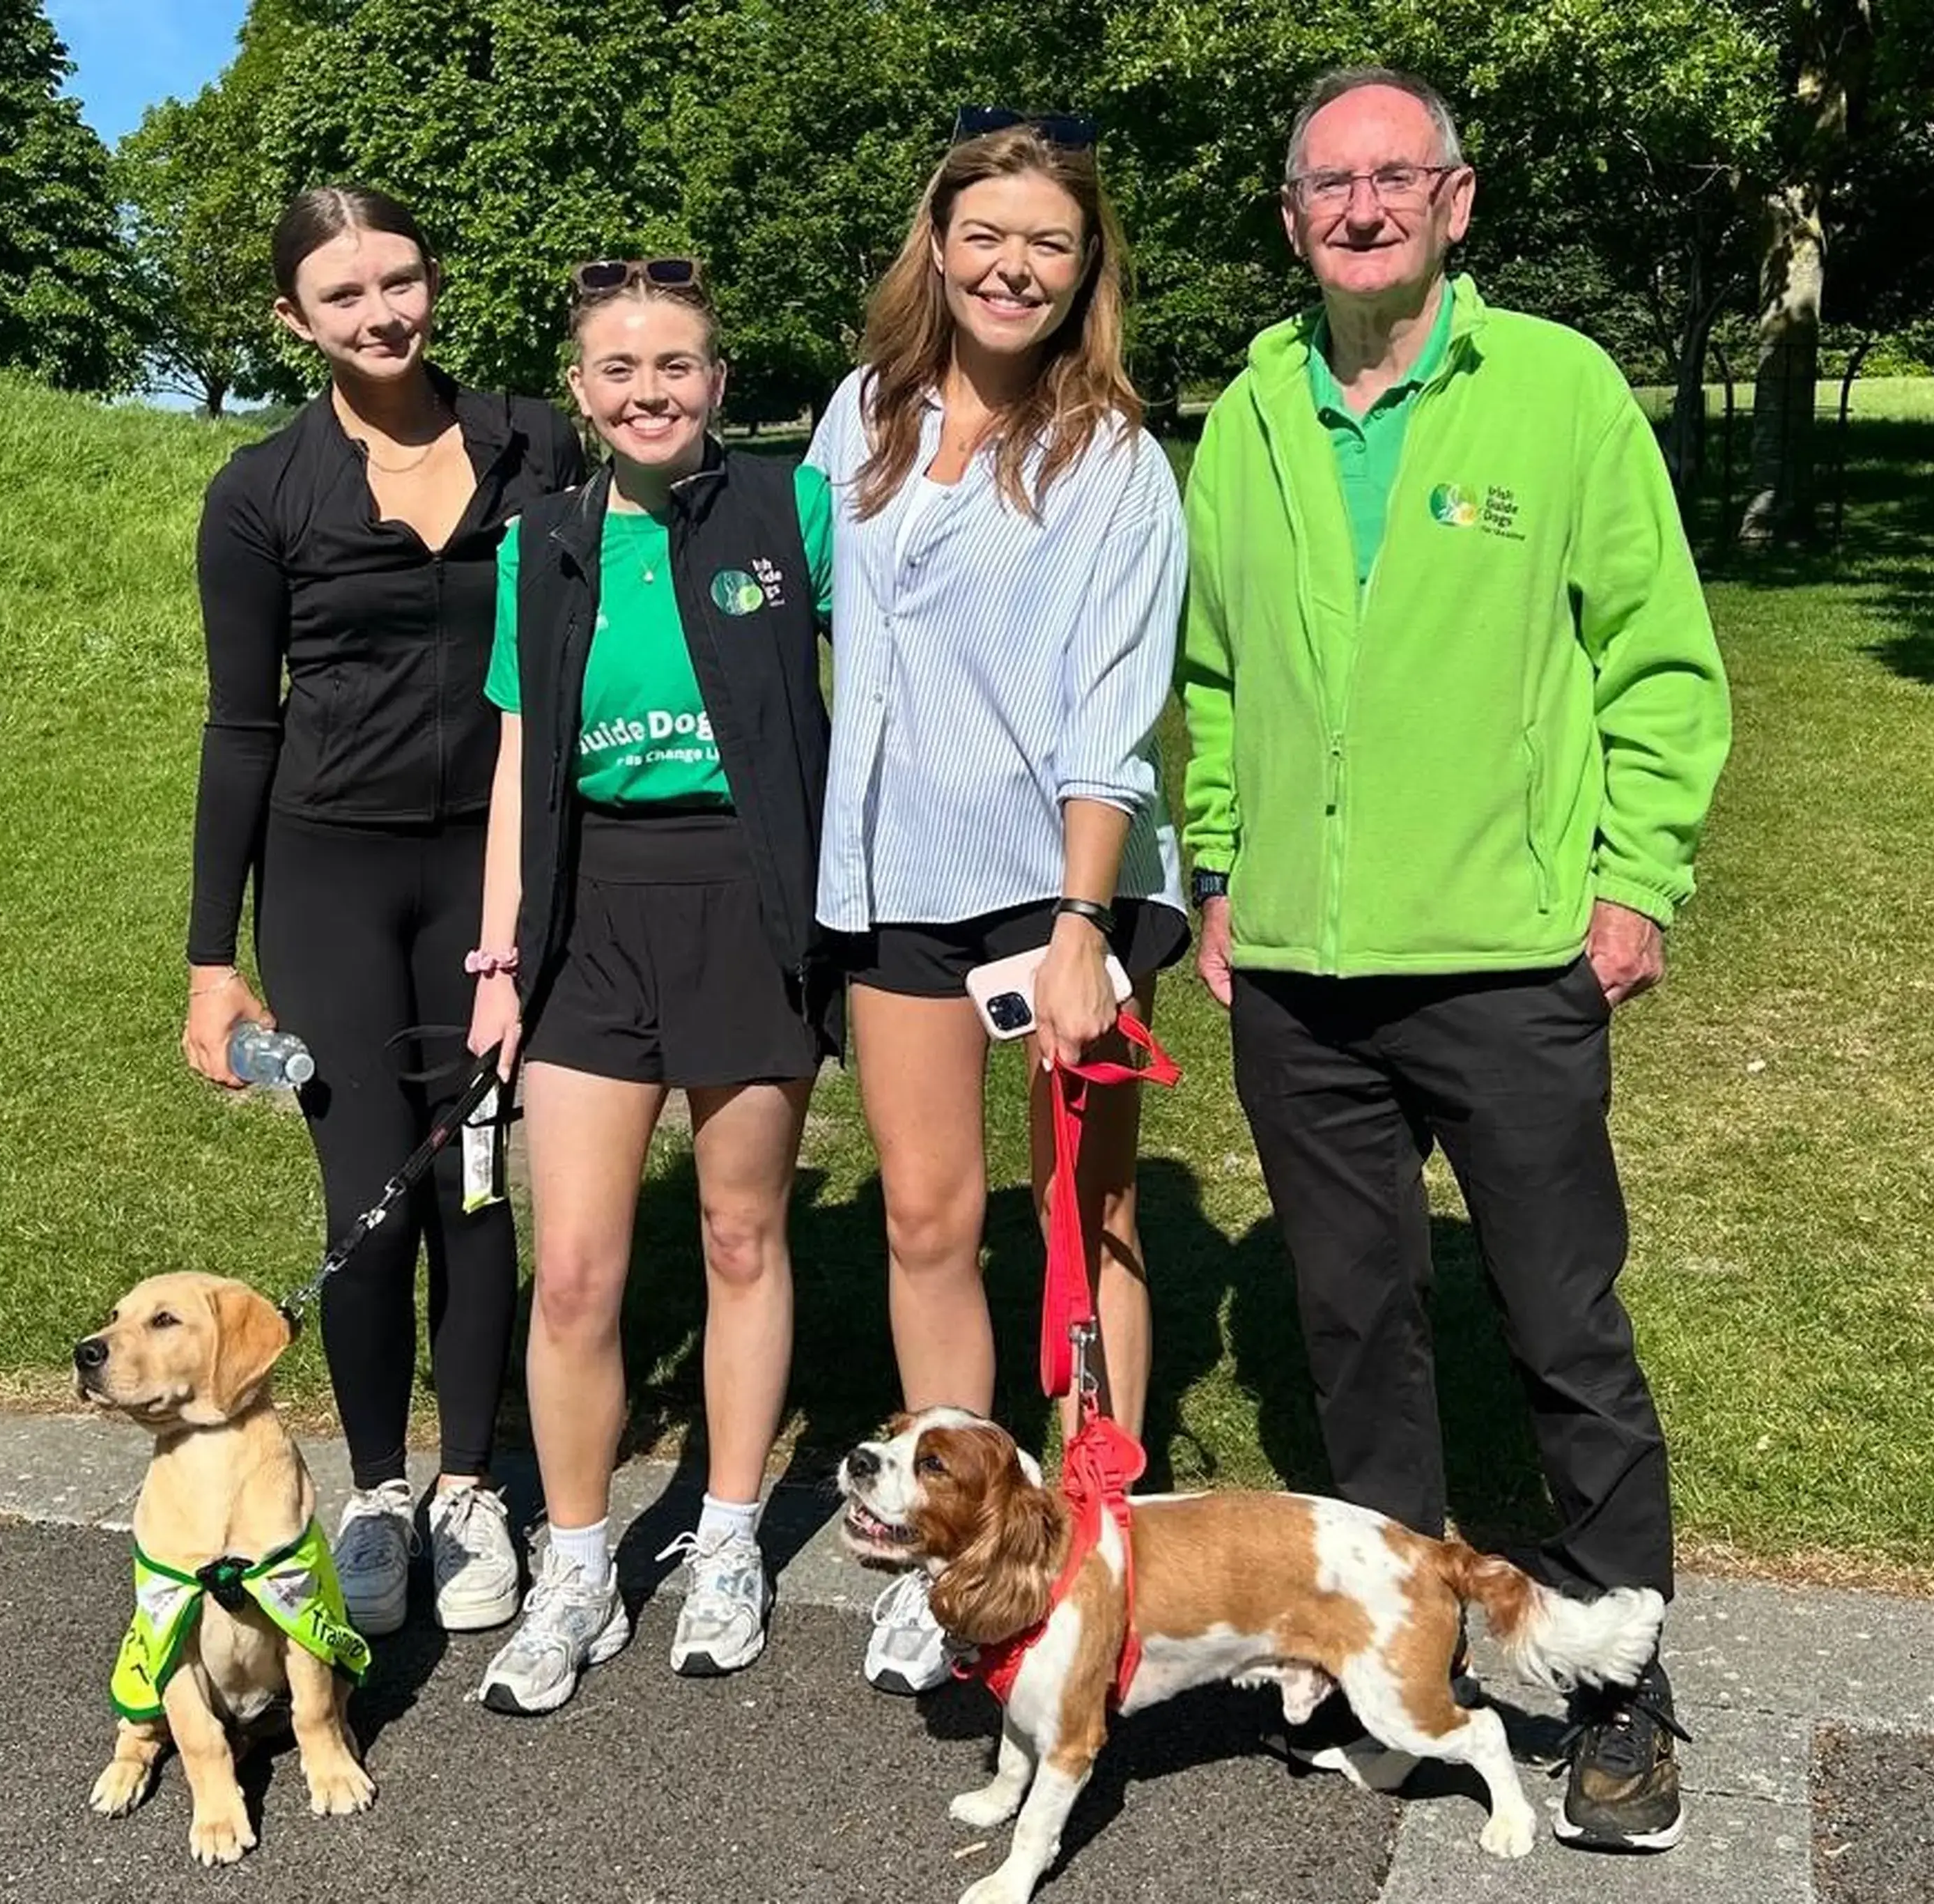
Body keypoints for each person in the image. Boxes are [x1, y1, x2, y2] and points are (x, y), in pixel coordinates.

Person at [1177, 67, 1733, 1852]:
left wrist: (1633, 878)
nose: (1359, 209)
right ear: (1291, 218)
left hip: (1506, 962)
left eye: (1391, 179)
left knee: (1562, 1324)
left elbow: (1657, 662)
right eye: (1327, 186)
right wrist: (1217, 869)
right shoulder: (1251, 411)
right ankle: (1394, 1663)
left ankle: (1618, 1678)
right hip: (1306, 981)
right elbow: (1212, 680)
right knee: (1353, 1327)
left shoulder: (1559, 393)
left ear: (1456, 200)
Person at [807, 110, 1189, 1699]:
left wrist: (1086, 927)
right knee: (926, 1215)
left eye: (1048, 241)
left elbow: (1114, 708)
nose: (1012, 266)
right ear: (939, 246)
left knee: (1085, 1217)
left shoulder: (1114, 461)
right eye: (986, 235)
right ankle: (957, 1544)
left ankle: (1101, 1534)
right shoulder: (861, 413)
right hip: (890, 879)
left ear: (1086, 263)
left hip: (1057, 888)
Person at [182, 185, 586, 1641]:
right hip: (332, 876)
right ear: (296, 319)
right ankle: (375, 1488)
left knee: (475, 1176)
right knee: (370, 1195)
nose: (382, 314)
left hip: (494, 870)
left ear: (435, 280)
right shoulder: (261, 492)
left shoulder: (536, 441)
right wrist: (209, 964)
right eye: (344, 296)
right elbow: (241, 730)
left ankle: (471, 1487)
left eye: (401, 280)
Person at [464, 258, 835, 1716]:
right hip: (588, 917)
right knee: (575, 1271)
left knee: (744, 1237)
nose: (649, 391)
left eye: (676, 364)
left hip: (746, 900)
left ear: (720, 381)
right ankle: (575, 1565)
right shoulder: (539, 542)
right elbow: (515, 761)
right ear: (582, 392)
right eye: (619, 370)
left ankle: (731, 1538)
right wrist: (499, 959)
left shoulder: (789, 510)